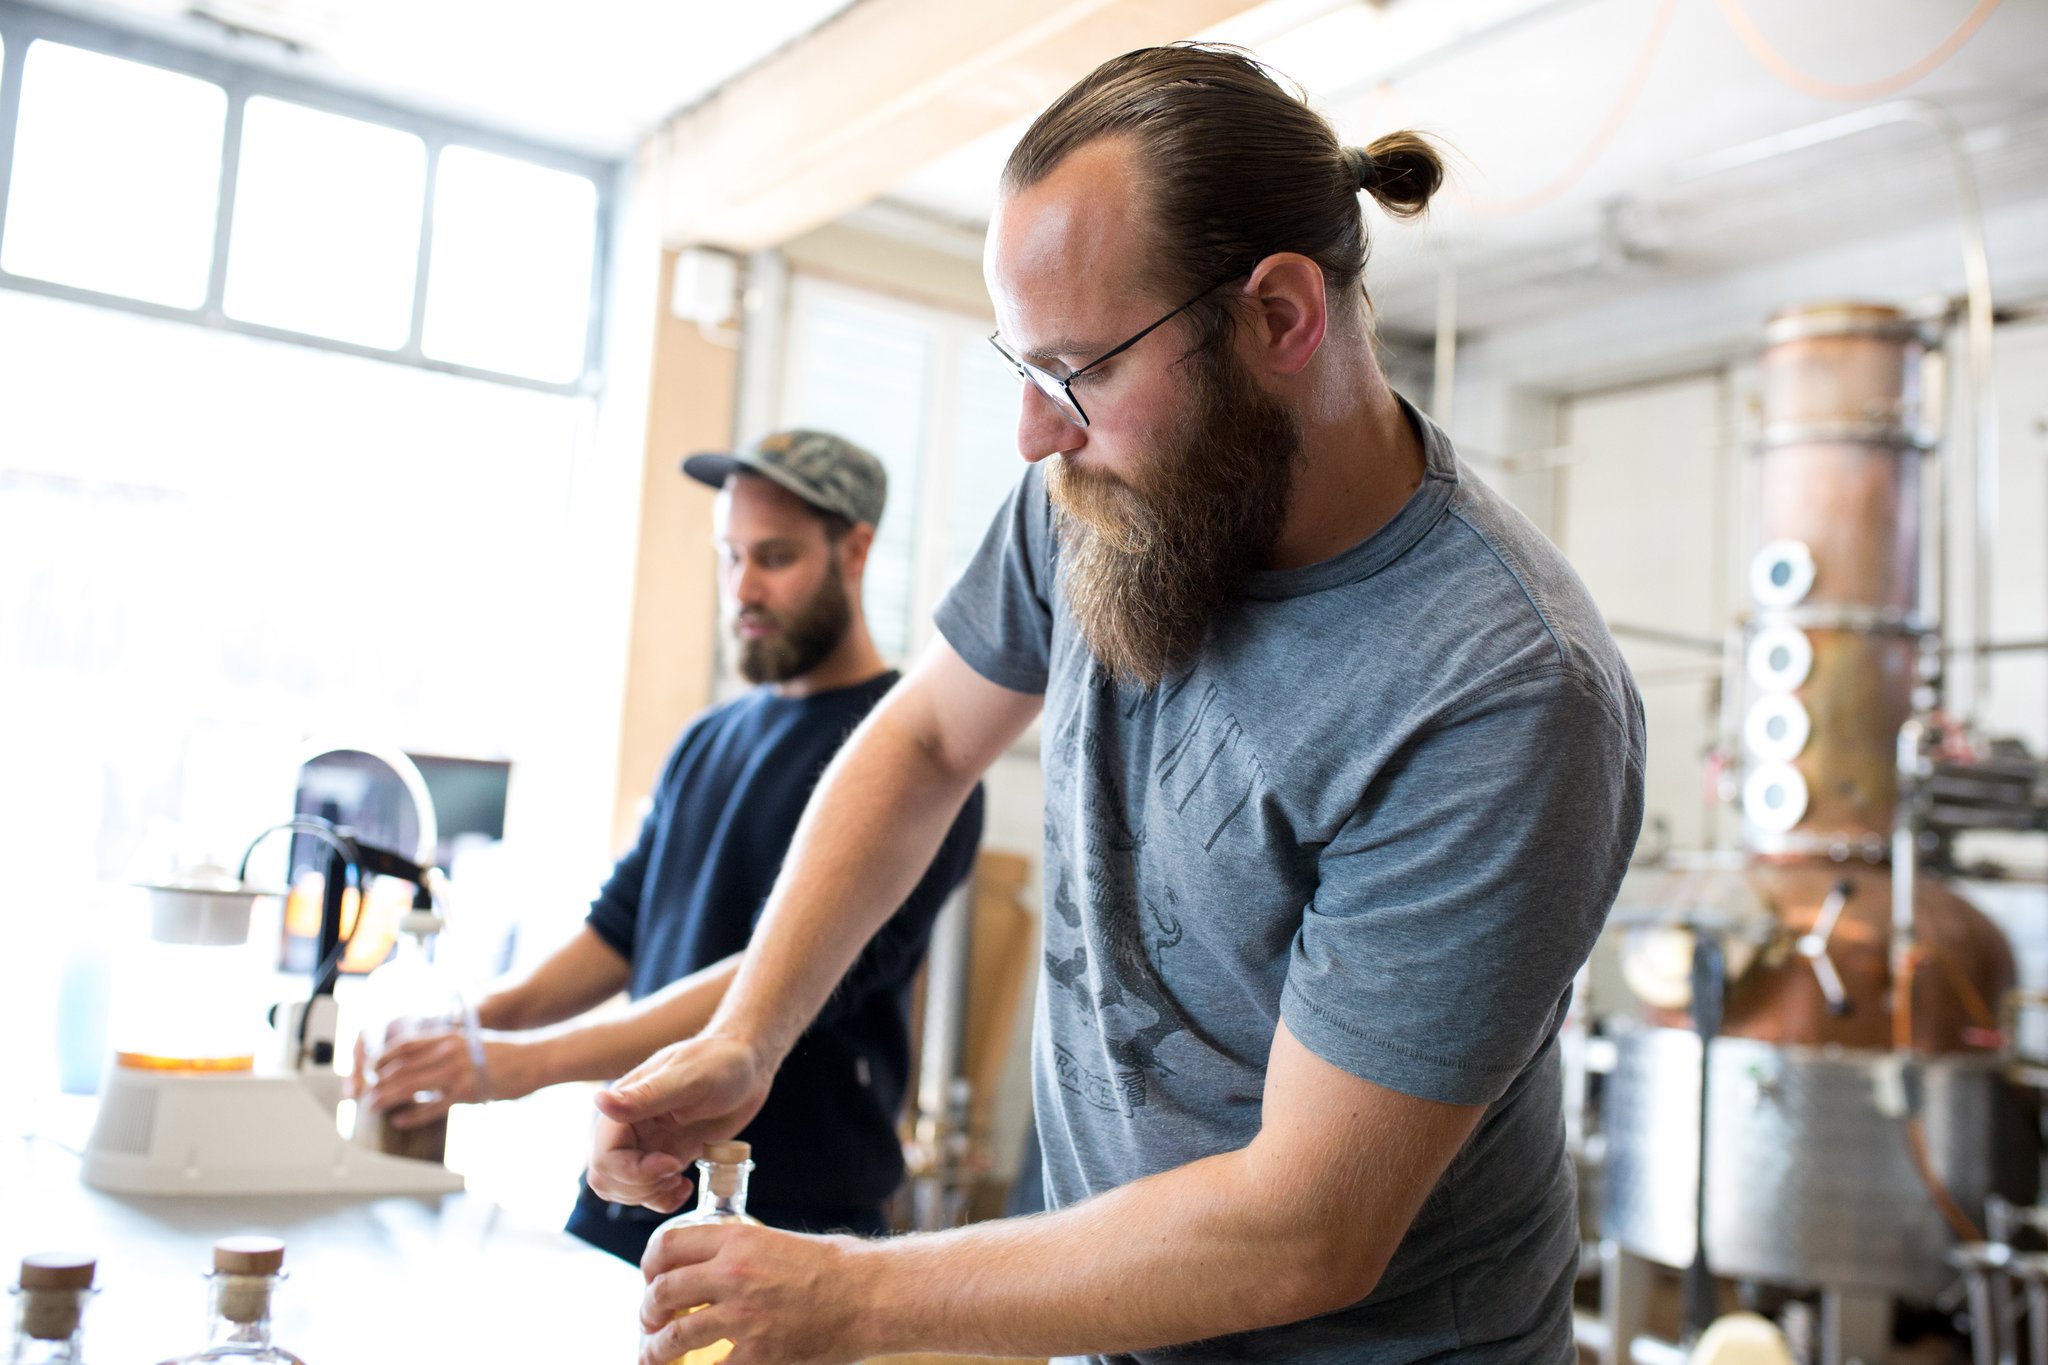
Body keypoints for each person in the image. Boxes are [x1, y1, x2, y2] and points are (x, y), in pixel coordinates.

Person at [590, 44, 1644, 1364]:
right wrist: (750, 1036)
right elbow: (922, 745)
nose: (1036, 435)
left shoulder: (1500, 692)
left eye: (1074, 370)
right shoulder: (1104, 496)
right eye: (1022, 370)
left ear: (1278, 317)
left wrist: (855, 1298)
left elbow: (1302, 1227)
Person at [354, 428, 984, 1263]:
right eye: (730, 557)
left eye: (776, 556)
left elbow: (785, 974)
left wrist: (518, 1064)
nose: (744, 587)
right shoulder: (708, 738)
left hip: (783, 1218)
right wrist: (468, 1023)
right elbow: (618, 931)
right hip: (627, 1188)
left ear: (855, 550)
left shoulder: (911, 760)